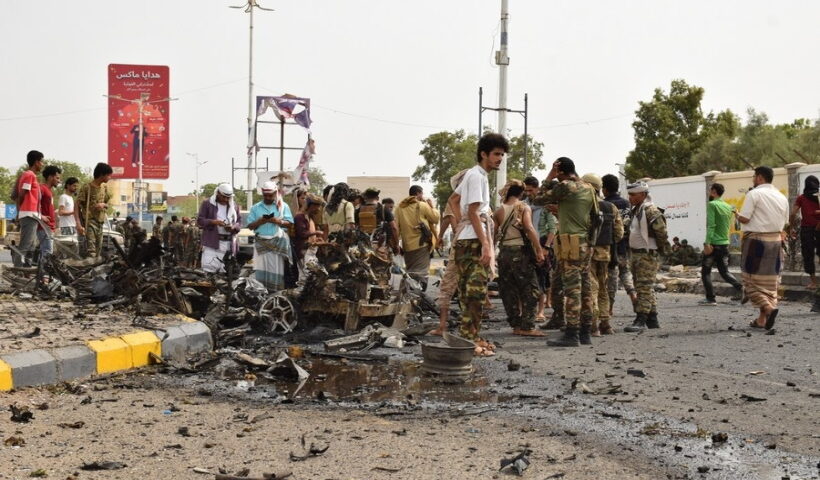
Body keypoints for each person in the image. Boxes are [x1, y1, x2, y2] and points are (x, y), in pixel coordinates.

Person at [449, 133, 507, 355]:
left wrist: (459, 226)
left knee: (468, 292)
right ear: (484, 154)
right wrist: (485, 244)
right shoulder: (477, 177)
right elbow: (473, 211)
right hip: (474, 240)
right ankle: (469, 340)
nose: (499, 159)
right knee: (474, 292)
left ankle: (470, 337)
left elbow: (454, 200)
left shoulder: (473, 176)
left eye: (501, 154)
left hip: (468, 237)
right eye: (496, 154)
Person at [531, 157, 597, 347]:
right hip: (585, 243)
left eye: (556, 172)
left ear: (560, 171)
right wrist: (590, 243)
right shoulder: (588, 188)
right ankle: (585, 332)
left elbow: (537, 198)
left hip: (571, 243)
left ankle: (572, 333)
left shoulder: (566, 186)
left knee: (572, 289)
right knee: (585, 289)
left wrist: (549, 176)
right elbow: (594, 217)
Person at [734, 166, 789, 330]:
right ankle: (761, 320)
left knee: (750, 281)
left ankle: (770, 310)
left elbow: (745, 218)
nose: (753, 179)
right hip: (776, 241)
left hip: (756, 241)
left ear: (759, 178)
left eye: (754, 176)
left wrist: (736, 214)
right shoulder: (781, 196)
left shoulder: (754, 193)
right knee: (770, 283)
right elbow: (785, 222)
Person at [493, 179, 546, 336]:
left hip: (504, 253)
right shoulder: (523, 207)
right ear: (521, 193)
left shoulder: (498, 211)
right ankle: (528, 326)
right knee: (531, 289)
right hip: (520, 252)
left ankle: (515, 325)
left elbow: (494, 234)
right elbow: (529, 228)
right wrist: (539, 250)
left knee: (508, 291)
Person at [623, 181, 670, 332]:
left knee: (643, 288)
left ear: (643, 194)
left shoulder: (650, 210)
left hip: (647, 255)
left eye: (633, 194)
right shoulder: (637, 210)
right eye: (629, 194)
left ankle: (641, 319)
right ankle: (653, 318)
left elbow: (662, 233)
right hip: (636, 254)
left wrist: (657, 251)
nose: (630, 197)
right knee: (644, 287)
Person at [582, 173, 623, 336]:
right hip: (605, 253)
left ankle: (593, 325)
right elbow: (619, 233)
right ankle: (605, 323)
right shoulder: (610, 207)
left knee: (591, 288)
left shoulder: (584, 206)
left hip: (588, 252)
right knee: (603, 288)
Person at [430, 169, 469, 336]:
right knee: (470, 286)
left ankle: (442, 326)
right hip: (472, 246)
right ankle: (469, 328)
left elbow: (449, 220)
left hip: (460, 244)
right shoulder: (478, 198)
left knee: (448, 285)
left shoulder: (455, 199)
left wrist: (439, 237)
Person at [700, 183, 743, 305]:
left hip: (713, 244)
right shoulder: (728, 206)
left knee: (705, 272)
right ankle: (741, 288)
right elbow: (736, 218)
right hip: (725, 244)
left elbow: (711, 225)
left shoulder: (712, 204)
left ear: (714, 191)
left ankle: (710, 298)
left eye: (710, 190)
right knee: (724, 272)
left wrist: (707, 243)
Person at [247, 181, 293, 291]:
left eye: (270, 195)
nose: (268, 197)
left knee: (275, 270)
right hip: (261, 243)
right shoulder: (255, 208)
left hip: (277, 243)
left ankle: (275, 293)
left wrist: (277, 221)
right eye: (265, 195)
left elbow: (290, 223)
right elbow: (250, 226)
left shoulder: (283, 206)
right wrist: (260, 221)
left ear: (275, 193)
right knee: (260, 269)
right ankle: (261, 293)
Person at [602, 174, 637, 316]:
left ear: (604, 189)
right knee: (625, 272)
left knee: (611, 277)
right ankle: (633, 294)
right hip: (625, 246)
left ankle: (609, 308)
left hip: (610, 247)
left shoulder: (605, 205)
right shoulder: (626, 203)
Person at [396, 185, 440, 290]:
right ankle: (418, 299)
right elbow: (435, 219)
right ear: (418, 194)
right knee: (421, 274)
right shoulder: (422, 205)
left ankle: (408, 297)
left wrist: (397, 245)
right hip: (422, 245)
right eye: (422, 193)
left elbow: (396, 228)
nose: (422, 196)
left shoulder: (399, 208)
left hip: (407, 247)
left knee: (410, 272)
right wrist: (431, 206)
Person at [524, 176, 555, 323]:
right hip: (527, 244)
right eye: (526, 190)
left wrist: (546, 247)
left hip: (542, 244)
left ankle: (541, 311)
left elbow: (552, 228)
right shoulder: (523, 205)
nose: (528, 193)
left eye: (531, 190)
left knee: (541, 279)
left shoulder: (545, 207)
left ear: (537, 189)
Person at [197, 183, 241, 273]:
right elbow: (200, 221)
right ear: (218, 193)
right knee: (209, 270)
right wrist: (214, 222)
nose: (225, 199)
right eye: (223, 197)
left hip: (228, 244)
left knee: (225, 272)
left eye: (228, 197)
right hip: (212, 243)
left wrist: (232, 227)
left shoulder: (234, 206)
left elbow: (239, 222)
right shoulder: (207, 204)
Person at [14, 150, 44, 267]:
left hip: (33, 214)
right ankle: (18, 270)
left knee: (31, 245)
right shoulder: (29, 175)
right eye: (41, 162)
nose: (42, 164)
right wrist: (21, 210)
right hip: (29, 214)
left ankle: (26, 270)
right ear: (36, 162)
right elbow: (22, 194)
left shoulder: (32, 176)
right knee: (25, 245)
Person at [76, 162, 113, 258]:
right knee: (91, 251)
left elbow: (107, 203)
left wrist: (103, 205)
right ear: (102, 174)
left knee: (98, 252)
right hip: (89, 223)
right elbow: (77, 206)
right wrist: (78, 224)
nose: (110, 177)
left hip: (100, 223)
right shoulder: (87, 187)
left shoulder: (104, 188)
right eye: (109, 175)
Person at [790, 175, 820, 288]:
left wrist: (792, 227)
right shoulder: (819, 196)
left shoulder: (801, 198)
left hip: (806, 230)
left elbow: (793, 214)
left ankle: (814, 282)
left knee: (808, 255)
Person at [294, 194, 325, 278]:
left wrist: (316, 238)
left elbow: (309, 234)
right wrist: (316, 232)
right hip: (304, 252)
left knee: (314, 276)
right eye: (316, 206)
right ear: (310, 206)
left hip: (311, 252)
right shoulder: (300, 217)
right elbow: (302, 233)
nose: (318, 209)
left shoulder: (310, 217)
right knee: (305, 277)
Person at [37, 165, 61, 258]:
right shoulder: (41, 188)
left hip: (49, 227)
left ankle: (41, 272)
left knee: (46, 252)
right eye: (57, 178)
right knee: (47, 252)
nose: (59, 181)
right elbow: (35, 203)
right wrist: (41, 216)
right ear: (50, 177)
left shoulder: (50, 191)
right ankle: (43, 272)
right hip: (43, 226)